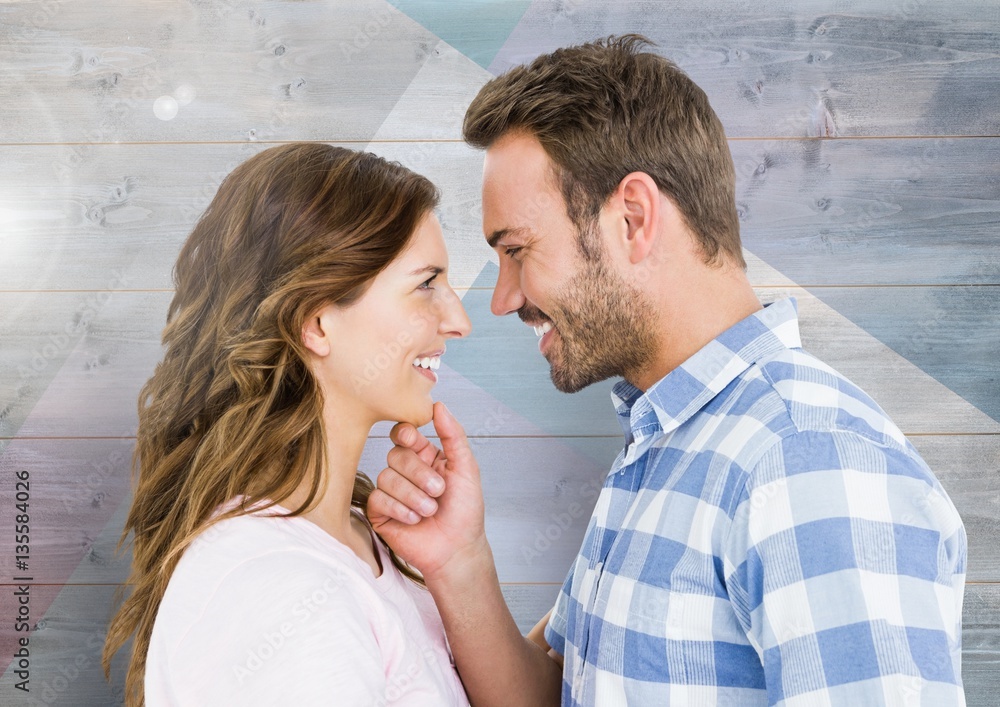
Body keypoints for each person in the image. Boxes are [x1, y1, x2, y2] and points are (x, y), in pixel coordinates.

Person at [368, 35, 968, 706]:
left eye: (517, 250)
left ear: (633, 217)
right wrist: (460, 562)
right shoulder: (666, 447)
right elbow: (549, 695)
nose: (504, 297)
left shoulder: (806, 458)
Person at [102, 143, 472, 706]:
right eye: (426, 284)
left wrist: (461, 559)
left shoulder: (353, 538)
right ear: (316, 322)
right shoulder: (281, 587)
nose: (458, 320)